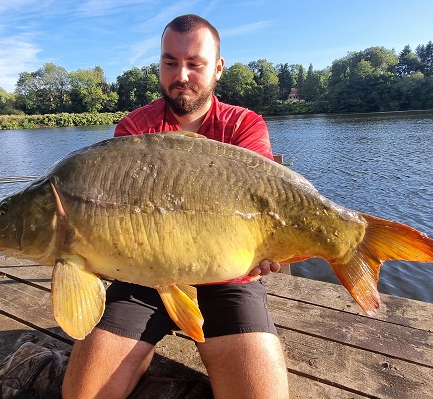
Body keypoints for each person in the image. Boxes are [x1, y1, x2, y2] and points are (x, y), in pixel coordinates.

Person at [62, 14, 290, 399]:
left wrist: (268, 248)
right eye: (170, 62)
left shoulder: (244, 126)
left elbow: (265, 208)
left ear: (217, 68)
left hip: (228, 280)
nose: (180, 74)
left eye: (194, 64)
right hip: (144, 278)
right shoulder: (133, 130)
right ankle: (139, 350)